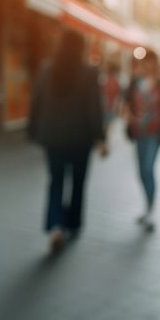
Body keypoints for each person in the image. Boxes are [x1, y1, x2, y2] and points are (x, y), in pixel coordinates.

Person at [28, 29, 108, 253]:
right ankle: (73, 223)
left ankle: (55, 225)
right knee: (78, 183)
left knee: (55, 181)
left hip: (52, 137)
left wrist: (33, 130)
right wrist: (100, 137)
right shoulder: (88, 72)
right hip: (80, 138)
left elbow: (36, 100)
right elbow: (94, 108)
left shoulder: (47, 69)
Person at [124, 51, 160, 231]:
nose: (146, 65)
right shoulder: (135, 81)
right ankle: (146, 204)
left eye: (149, 62)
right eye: (144, 62)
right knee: (141, 172)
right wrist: (128, 117)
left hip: (154, 133)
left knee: (148, 168)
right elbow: (127, 103)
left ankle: (150, 210)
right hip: (139, 133)